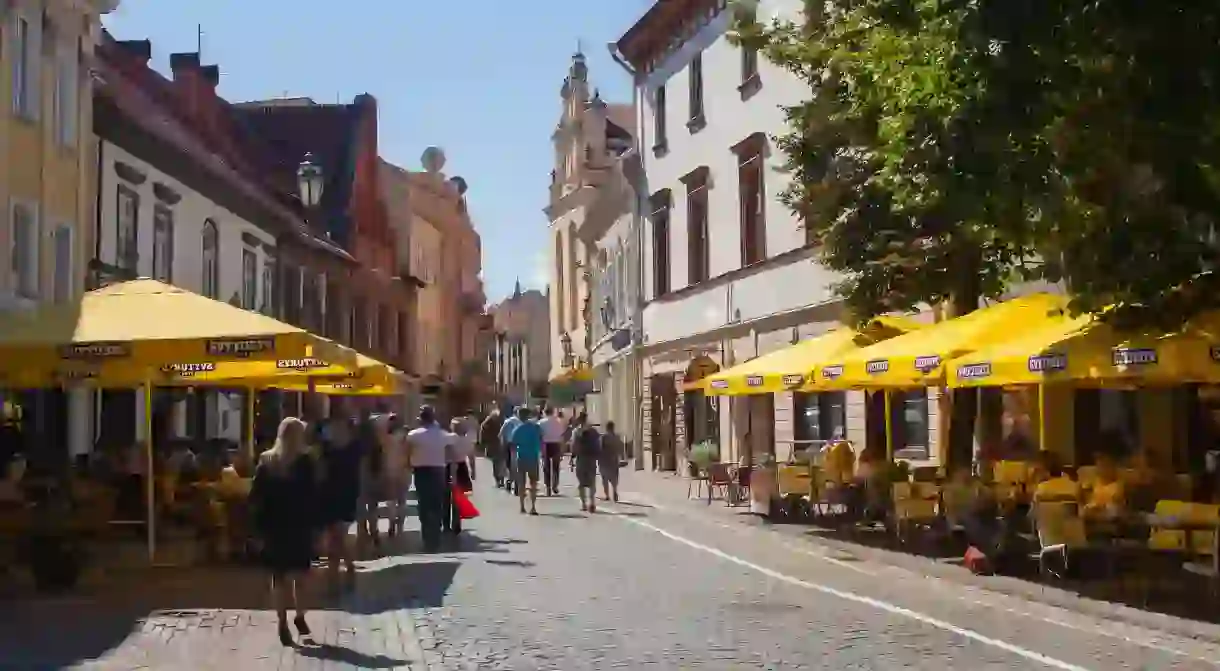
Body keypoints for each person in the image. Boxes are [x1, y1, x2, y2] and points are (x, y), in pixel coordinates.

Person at [249, 417, 318, 646]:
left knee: (279, 578)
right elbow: (312, 496)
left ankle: (282, 622)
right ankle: (299, 616)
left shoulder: (266, 461)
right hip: (298, 526)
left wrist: (257, 529)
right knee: (301, 576)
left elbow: (256, 498)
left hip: (274, 527)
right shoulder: (305, 461)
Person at [316, 417, 361, 592]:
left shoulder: (355, 448)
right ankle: (344, 572)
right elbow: (320, 470)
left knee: (338, 538)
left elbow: (360, 472)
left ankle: (336, 577)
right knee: (334, 539)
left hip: (347, 497)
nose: (336, 431)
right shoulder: (326, 448)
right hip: (328, 496)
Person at [407, 406, 455, 551]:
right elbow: (451, 449)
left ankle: (427, 534)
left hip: (420, 471)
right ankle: (435, 534)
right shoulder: (443, 434)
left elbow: (407, 452)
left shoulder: (413, 435)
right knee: (436, 503)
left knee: (423, 502)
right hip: (438, 471)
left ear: (420, 419)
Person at [380, 414, 412, 537]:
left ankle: (392, 523)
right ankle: (401, 525)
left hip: (389, 470)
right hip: (404, 470)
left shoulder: (385, 438)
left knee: (391, 500)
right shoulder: (406, 437)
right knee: (402, 500)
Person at [445, 417, 477, 534]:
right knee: (459, 496)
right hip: (461, 467)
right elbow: (471, 457)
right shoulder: (467, 441)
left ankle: (447, 522)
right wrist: (473, 471)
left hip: (448, 467)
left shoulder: (448, 439)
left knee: (446, 496)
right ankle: (456, 521)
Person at [510, 407, 543, 515]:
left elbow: (513, 446)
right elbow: (541, 440)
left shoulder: (517, 429)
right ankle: (533, 507)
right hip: (533, 457)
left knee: (521, 483)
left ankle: (522, 506)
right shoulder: (536, 427)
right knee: (533, 483)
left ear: (519, 416)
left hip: (521, 457)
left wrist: (513, 460)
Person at [573, 419, 602, 512]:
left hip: (581, 459)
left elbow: (574, 446)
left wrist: (572, 457)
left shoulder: (577, 431)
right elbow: (598, 445)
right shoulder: (594, 432)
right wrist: (598, 456)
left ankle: (584, 504)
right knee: (592, 482)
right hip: (591, 459)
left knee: (581, 483)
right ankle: (592, 503)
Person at [538, 407, 566, 496]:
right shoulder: (559, 421)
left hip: (545, 444)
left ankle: (548, 487)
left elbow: (539, 434)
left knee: (546, 466)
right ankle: (555, 485)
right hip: (556, 444)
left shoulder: (540, 423)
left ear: (544, 413)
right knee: (556, 466)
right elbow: (562, 434)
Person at [498, 407, 523, 495]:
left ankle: (511, 482)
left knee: (511, 466)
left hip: (509, 445)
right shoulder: (521, 422)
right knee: (517, 466)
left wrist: (503, 445)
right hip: (518, 445)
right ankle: (514, 484)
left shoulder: (507, 421)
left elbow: (501, 434)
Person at [599, 421, 624, 502]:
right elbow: (621, 448)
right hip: (614, 460)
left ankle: (607, 495)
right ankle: (615, 491)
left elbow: (600, 448)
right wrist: (621, 457)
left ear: (607, 428)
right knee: (614, 478)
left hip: (604, 460)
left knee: (605, 479)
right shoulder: (617, 437)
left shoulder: (603, 437)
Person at [480, 410, 505, 488]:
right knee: (498, 463)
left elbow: (482, 433)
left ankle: (500, 479)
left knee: (498, 463)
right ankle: (499, 479)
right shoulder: (490, 423)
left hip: (496, 445)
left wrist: (482, 442)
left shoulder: (488, 423)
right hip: (495, 445)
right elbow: (482, 433)